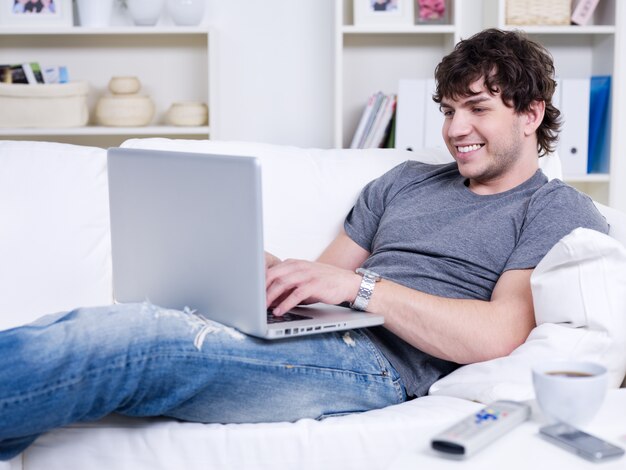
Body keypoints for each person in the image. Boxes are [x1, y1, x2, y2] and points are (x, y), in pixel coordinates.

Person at [0, 28, 608, 460]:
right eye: (448, 110)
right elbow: (322, 282)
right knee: (95, 327)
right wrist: (255, 270)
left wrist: (362, 288)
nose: (454, 130)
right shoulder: (404, 181)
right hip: (323, 336)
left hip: (379, 367)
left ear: (531, 114)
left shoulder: (556, 209)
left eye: (476, 109)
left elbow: (496, 335)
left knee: (122, 343)